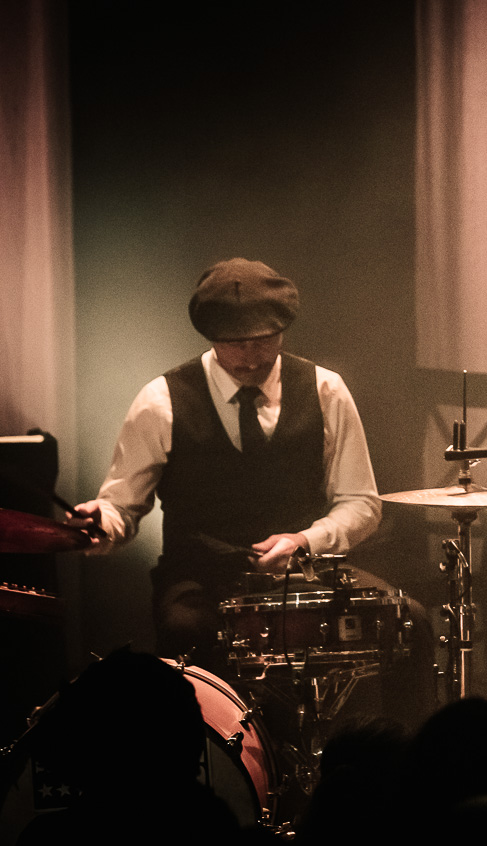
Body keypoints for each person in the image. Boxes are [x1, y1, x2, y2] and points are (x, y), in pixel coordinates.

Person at [75, 258, 381, 661]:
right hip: (200, 580)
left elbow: (362, 502)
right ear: (211, 338)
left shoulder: (327, 390)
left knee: (410, 622)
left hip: (305, 572)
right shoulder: (160, 401)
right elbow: (120, 506)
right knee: (186, 631)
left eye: (264, 341)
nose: (251, 357)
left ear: (283, 331)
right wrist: (100, 522)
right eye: (235, 344)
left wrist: (305, 542)